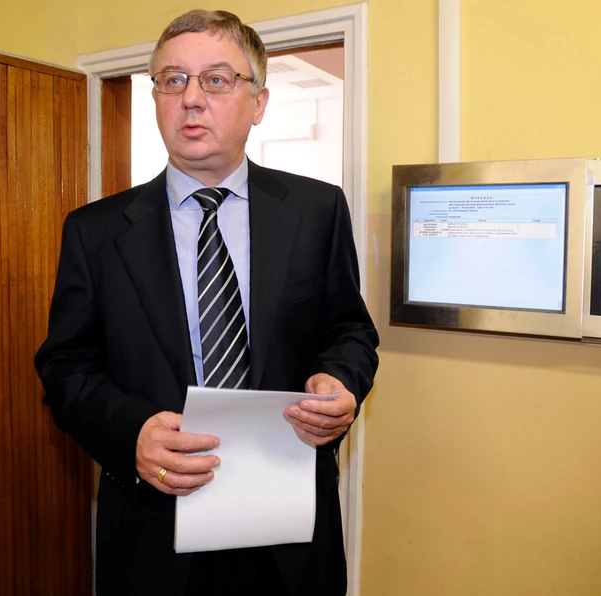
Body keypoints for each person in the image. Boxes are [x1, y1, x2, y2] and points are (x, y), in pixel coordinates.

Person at [35, 9, 379, 596]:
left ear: (259, 102)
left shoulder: (317, 210)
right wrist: (131, 432)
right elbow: (66, 367)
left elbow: (350, 331)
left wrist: (340, 381)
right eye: (173, 80)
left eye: (216, 80)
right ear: (156, 98)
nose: (191, 99)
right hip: (154, 531)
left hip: (288, 527)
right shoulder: (95, 231)